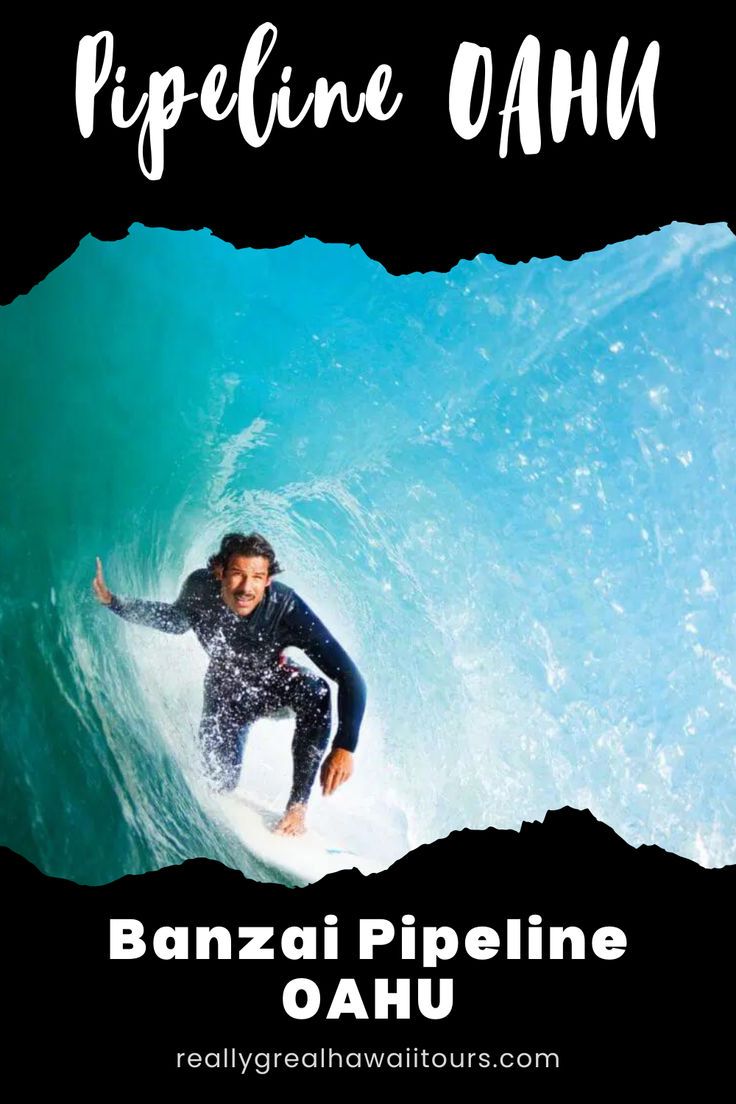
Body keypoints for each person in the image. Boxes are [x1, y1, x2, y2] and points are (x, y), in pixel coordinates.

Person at [92, 532, 365, 837]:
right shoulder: (201, 588)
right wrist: (113, 602)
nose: (246, 588)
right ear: (219, 571)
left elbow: (350, 677)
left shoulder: (286, 608)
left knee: (316, 691)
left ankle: (296, 809)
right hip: (225, 697)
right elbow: (175, 620)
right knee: (217, 783)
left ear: (267, 581)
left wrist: (345, 745)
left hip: (273, 687)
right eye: (237, 574)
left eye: (257, 577)